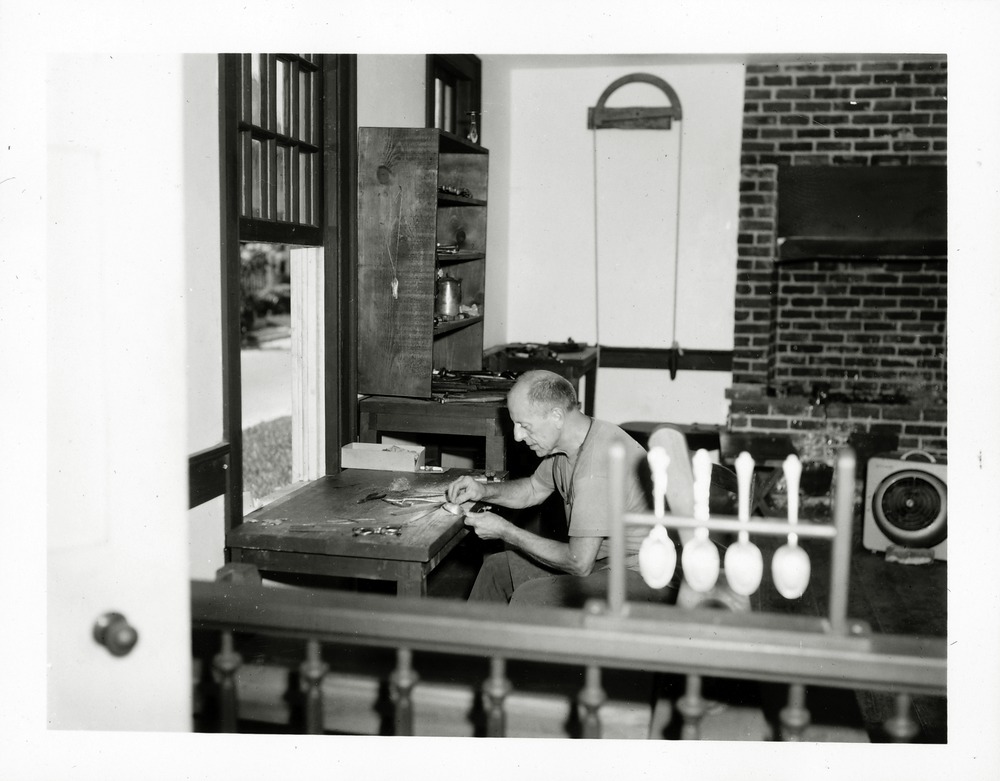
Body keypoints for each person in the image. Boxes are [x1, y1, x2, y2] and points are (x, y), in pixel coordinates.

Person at [445, 369, 677, 607]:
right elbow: (533, 490)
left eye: (524, 425)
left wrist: (506, 531)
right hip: (604, 562)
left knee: (529, 598)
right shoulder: (568, 445)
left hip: (644, 576)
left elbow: (579, 562)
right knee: (497, 569)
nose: (517, 436)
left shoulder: (595, 467)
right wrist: (483, 491)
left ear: (556, 416)